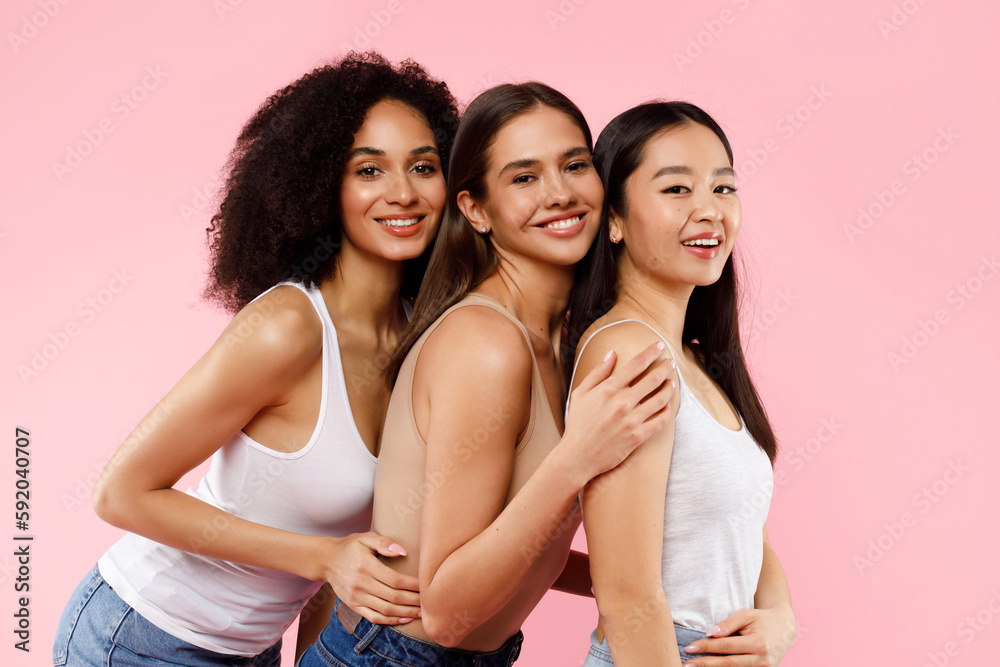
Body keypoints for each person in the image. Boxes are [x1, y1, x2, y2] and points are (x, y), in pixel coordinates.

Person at [53, 52, 459, 667]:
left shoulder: (416, 338)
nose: (403, 192)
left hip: (251, 648)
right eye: (369, 169)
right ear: (323, 184)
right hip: (141, 634)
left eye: (423, 166)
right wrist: (325, 558)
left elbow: (347, 552)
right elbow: (121, 494)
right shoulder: (286, 328)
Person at [298, 82, 677, 667]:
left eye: (574, 165)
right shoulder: (486, 343)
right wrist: (576, 459)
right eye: (523, 178)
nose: (559, 193)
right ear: (475, 209)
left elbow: (516, 545)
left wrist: (650, 589)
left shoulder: (571, 340)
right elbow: (447, 612)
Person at [566, 101, 796, 667]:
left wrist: (780, 617)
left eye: (723, 188)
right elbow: (627, 597)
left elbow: (737, 519)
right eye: (675, 190)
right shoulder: (628, 352)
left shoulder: (692, 360)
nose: (709, 211)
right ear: (613, 220)